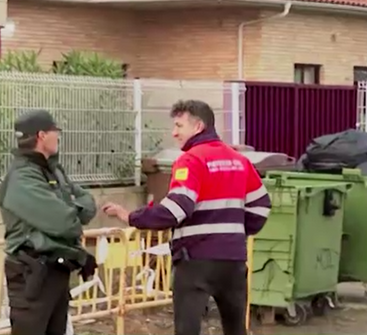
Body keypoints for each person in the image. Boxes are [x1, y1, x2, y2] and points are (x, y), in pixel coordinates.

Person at [101, 100, 272, 335]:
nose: (174, 132)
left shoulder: (191, 160)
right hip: (233, 259)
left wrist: (131, 216)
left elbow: (175, 209)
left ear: (198, 126)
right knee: (235, 329)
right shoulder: (239, 160)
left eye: (179, 126)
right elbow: (262, 205)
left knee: (187, 330)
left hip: (196, 260)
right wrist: (235, 233)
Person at [0, 110, 98, 335]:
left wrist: (71, 208)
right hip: (32, 274)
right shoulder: (22, 177)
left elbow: (88, 202)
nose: (59, 137)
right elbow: (64, 223)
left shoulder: (53, 170)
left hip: (57, 270)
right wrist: (72, 210)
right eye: (56, 132)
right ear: (42, 135)